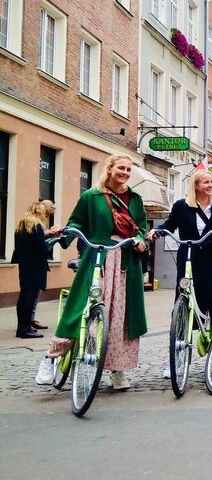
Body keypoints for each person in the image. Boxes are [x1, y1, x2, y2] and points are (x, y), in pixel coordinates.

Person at [35, 154, 148, 390]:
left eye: (128, 169)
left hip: (126, 262)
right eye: (121, 168)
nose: (125, 173)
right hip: (98, 257)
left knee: (121, 316)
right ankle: (50, 359)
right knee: (80, 308)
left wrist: (140, 240)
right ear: (110, 169)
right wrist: (63, 232)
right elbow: (77, 223)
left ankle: (118, 371)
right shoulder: (91, 196)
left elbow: (141, 228)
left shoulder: (135, 199)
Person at [147, 169, 212, 377]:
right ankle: (177, 358)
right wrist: (157, 231)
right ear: (195, 185)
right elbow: (169, 225)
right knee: (184, 306)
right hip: (189, 258)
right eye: (206, 182)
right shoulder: (181, 206)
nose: (210, 185)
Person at [13, 202, 60, 338]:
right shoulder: (37, 226)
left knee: (23, 296)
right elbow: (42, 247)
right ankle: (26, 329)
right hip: (36, 265)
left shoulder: (22, 225)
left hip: (25, 264)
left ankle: (21, 327)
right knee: (30, 297)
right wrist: (52, 240)